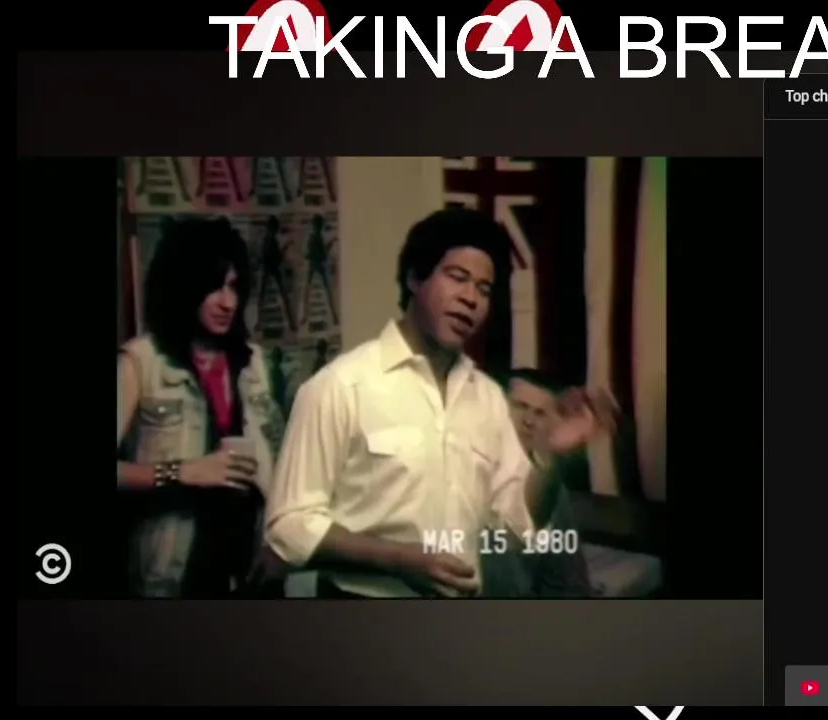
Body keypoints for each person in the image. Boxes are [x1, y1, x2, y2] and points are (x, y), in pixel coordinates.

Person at [260, 208, 617, 598]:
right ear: (415, 278)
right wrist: (397, 559)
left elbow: (516, 524)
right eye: (457, 277)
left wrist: (550, 454)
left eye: (484, 289)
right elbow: (289, 526)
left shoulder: (487, 397)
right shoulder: (341, 386)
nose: (470, 298)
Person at [116, 217, 282, 598]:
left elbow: (279, 457)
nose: (228, 302)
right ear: (183, 286)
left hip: (250, 566)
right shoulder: (141, 362)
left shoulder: (252, 361)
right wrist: (181, 472)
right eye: (213, 287)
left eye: (234, 287)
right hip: (174, 573)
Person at [481, 368, 593, 597]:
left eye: (540, 413)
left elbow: (568, 580)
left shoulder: (549, 486)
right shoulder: (468, 465)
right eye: (520, 406)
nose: (529, 421)